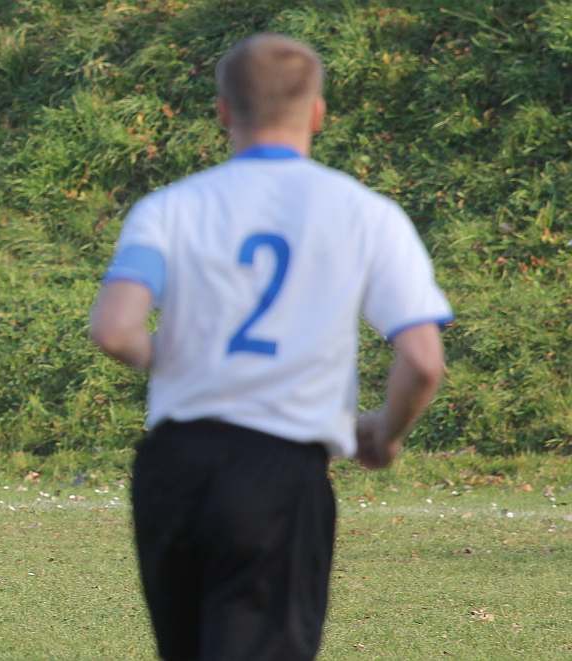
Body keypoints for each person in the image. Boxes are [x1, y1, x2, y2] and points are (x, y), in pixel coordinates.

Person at [90, 34, 451, 660]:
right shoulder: (367, 214)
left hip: (173, 467)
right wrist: (385, 435)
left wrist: (174, 358)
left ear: (225, 111)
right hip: (279, 473)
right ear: (317, 113)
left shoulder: (167, 209)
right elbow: (422, 360)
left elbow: (114, 330)